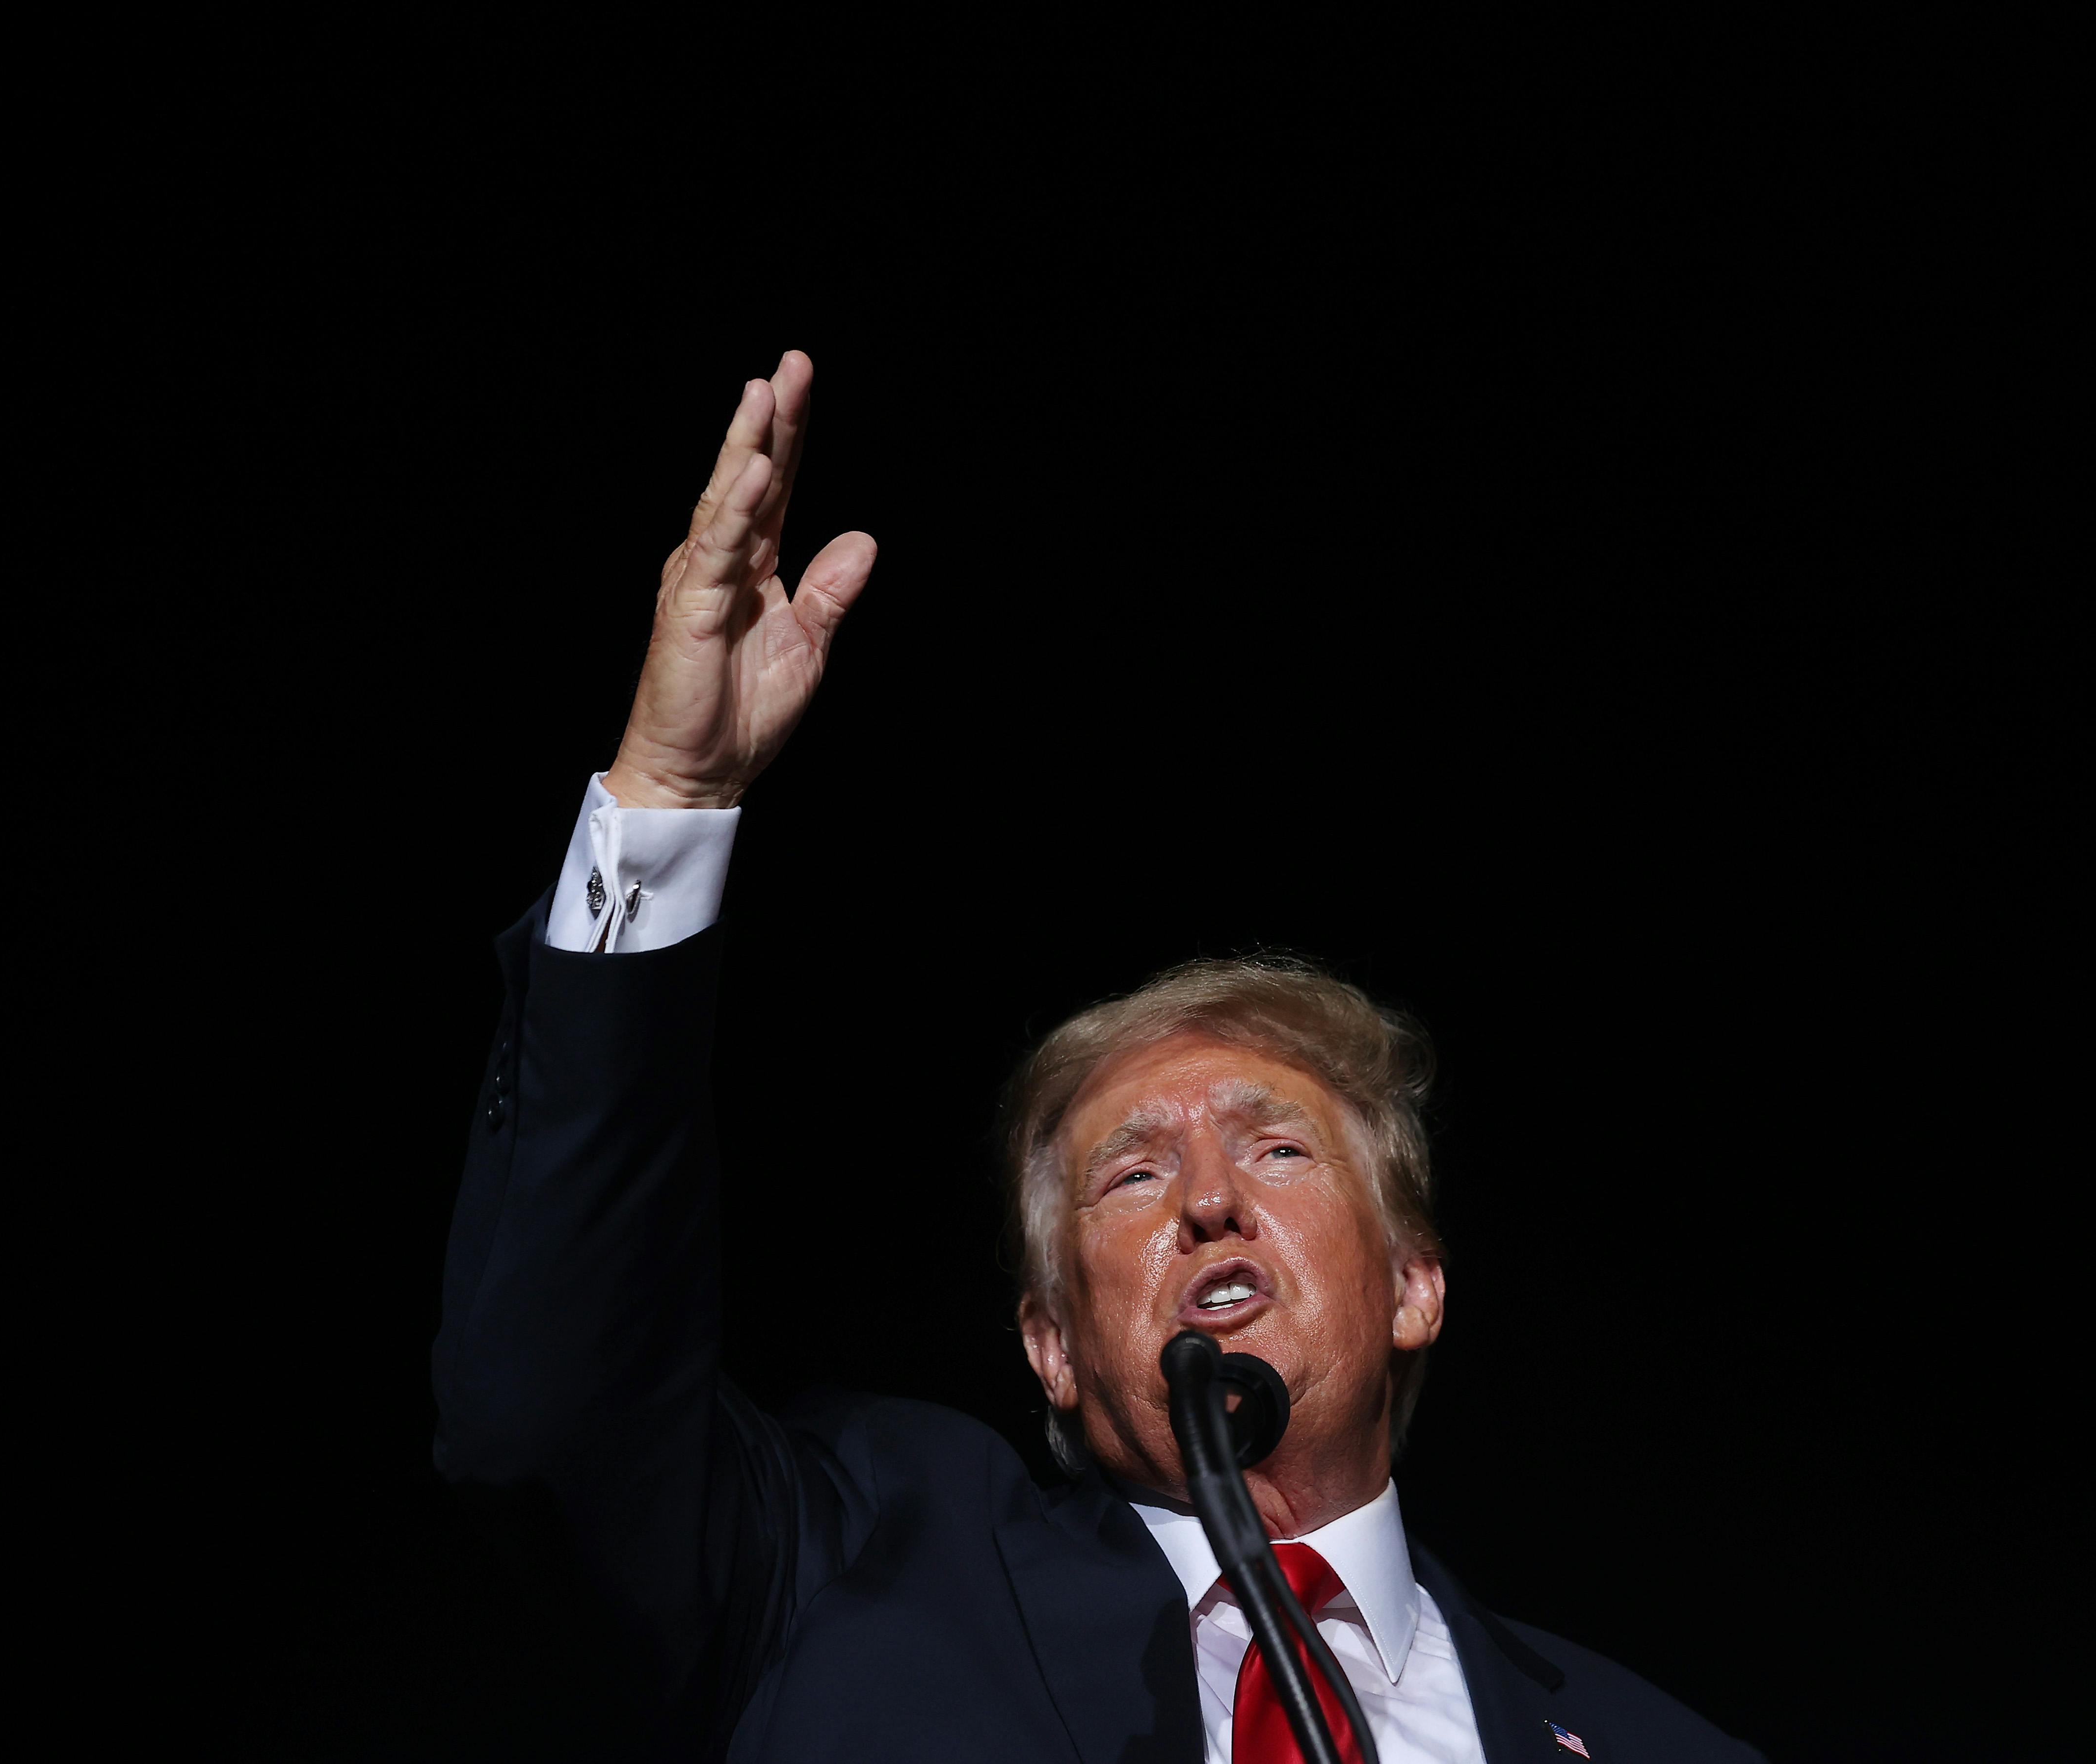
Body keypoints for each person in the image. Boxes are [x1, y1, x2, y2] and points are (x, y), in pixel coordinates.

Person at [433, 351, 1763, 1763]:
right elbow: (549, 1413)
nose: (1207, 1196)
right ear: (1050, 1343)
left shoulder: (1651, 1742)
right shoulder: (854, 1558)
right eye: (1130, 1175)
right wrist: (672, 796)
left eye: (1276, 1145)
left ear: (1417, 1285)